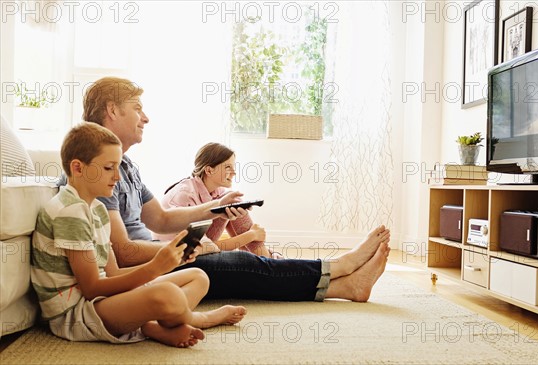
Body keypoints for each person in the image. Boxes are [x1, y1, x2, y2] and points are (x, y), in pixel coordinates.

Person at [77, 76, 391, 302]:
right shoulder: (98, 169)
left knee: (244, 266)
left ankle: (345, 285)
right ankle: (342, 271)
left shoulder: (127, 166)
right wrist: (186, 250)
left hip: (162, 257)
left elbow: (160, 219)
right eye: (137, 108)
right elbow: (124, 251)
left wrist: (217, 208)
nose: (146, 117)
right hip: (149, 266)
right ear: (113, 111)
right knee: (241, 266)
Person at [32, 122, 247, 348]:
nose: (117, 177)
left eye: (118, 168)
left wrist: (166, 262)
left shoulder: (97, 209)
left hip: (102, 299)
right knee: (167, 294)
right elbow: (91, 288)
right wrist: (154, 268)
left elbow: (113, 273)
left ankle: (151, 326)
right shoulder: (70, 213)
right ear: (77, 168)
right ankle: (198, 319)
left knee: (198, 276)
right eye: (108, 168)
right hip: (78, 312)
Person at [156, 142, 281, 259]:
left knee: (234, 203)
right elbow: (205, 248)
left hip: (201, 246)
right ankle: (269, 264)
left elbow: (235, 231)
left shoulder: (216, 191)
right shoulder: (185, 195)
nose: (234, 173)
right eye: (228, 167)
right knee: (232, 206)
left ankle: (265, 260)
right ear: (209, 170)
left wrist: (249, 237)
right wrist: (252, 235)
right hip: (181, 256)